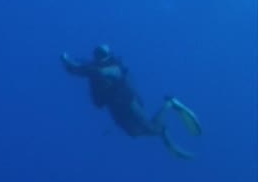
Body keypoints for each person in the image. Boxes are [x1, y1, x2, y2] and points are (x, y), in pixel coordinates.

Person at [60, 44, 201, 159]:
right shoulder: (93, 68)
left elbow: (97, 71)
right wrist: (67, 61)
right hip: (115, 109)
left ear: (108, 55)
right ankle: (162, 130)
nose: (100, 57)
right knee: (134, 133)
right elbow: (76, 70)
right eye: (98, 55)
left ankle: (169, 104)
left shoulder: (113, 66)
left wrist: (78, 66)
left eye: (102, 54)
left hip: (128, 102)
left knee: (150, 128)